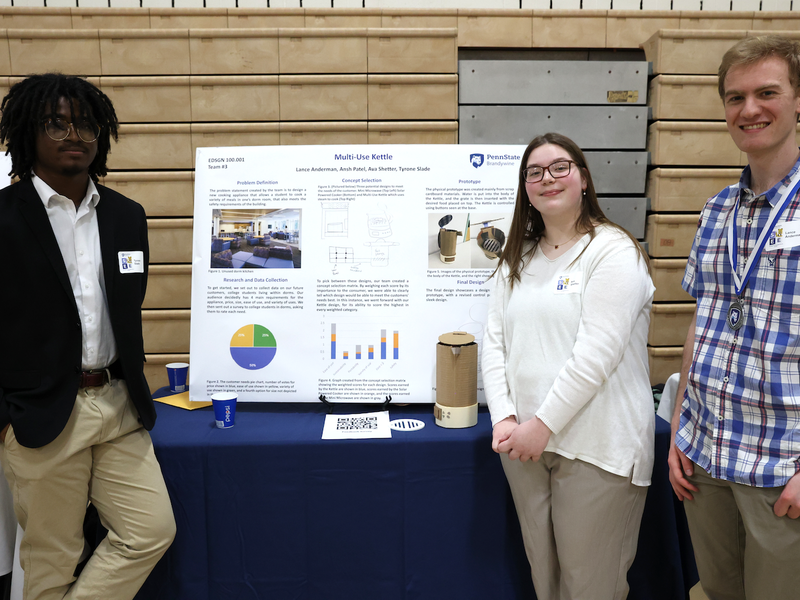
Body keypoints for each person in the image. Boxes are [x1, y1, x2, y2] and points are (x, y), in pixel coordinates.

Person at [0, 74, 175, 600]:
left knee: (149, 532)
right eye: (57, 123)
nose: (73, 133)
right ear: (29, 133)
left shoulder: (127, 216)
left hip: (117, 405)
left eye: (86, 124)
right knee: (52, 560)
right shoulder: (3, 219)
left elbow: (126, 307)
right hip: (41, 413)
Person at [482, 132, 654, 600]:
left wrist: (542, 423)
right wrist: (504, 416)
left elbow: (596, 353)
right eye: (534, 172)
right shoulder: (515, 259)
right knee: (547, 583)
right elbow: (494, 345)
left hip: (598, 446)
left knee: (589, 587)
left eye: (560, 167)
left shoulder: (612, 251)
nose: (547, 178)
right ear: (525, 190)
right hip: (525, 448)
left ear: (583, 179)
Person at [668, 35, 800, 600]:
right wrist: (678, 430)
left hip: (781, 466)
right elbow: (702, 323)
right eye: (735, 97)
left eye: (767, 92)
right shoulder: (718, 207)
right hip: (706, 455)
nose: (750, 109)